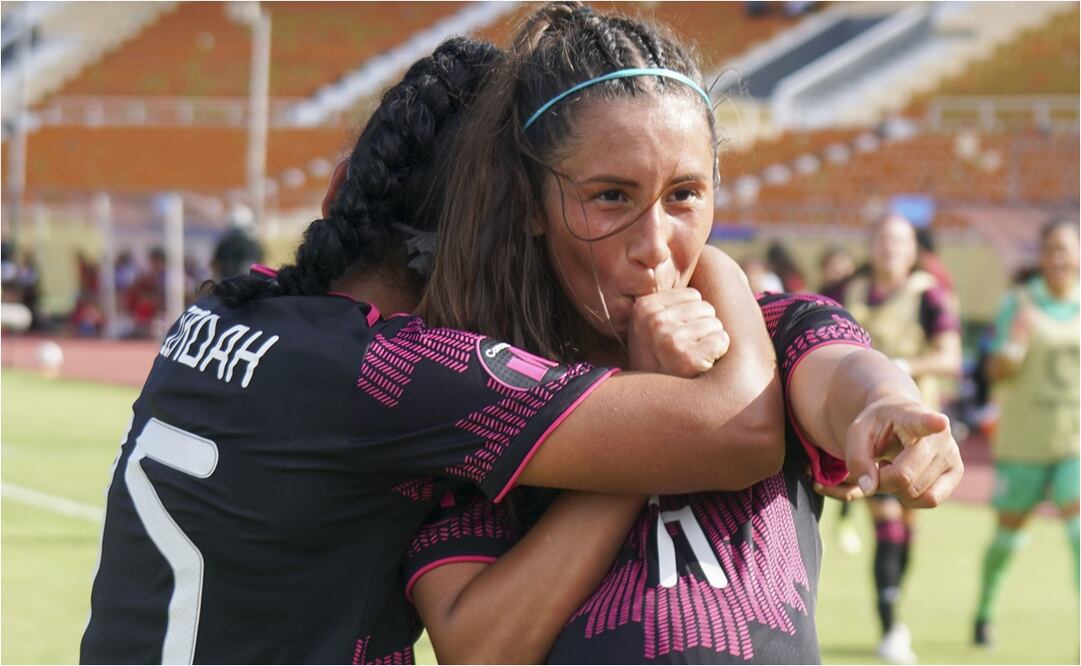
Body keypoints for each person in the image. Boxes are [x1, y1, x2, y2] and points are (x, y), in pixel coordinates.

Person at [80, 36, 796, 665]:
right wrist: (710, 265)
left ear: (344, 190)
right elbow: (735, 428)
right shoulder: (400, 371)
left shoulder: (228, 308)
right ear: (499, 233)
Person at [407, 4, 962, 663]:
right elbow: (477, 649)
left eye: (684, 196)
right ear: (533, 206)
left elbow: (842, 370)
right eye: (610, 195)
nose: (653, 245)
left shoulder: (768, 333)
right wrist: (647, 405)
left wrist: (883, 402)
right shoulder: (485, 381)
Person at [840, 213, 963, 664]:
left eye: (900, 241)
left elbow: (951, 357)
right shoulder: (847, 291)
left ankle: (893, 611)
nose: (890, 248)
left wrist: (908, 367)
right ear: (870, 245)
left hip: (918, 431)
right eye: (883, 239)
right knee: (887, 526)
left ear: (913, 250)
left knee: (906, 530)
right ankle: (891, 626)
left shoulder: (929, 295)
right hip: (864, 431)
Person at [973, 219, 1079, 647]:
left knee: (1078, 533)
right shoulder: (1018, 303)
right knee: (1006, 538)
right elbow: (994, 370)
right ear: (1040, 256)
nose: (1058, 258)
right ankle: (984, 614)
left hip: (1073, 442)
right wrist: (1016, 343)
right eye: (1050, 249)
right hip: (1024, 441)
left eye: (1066, 249)